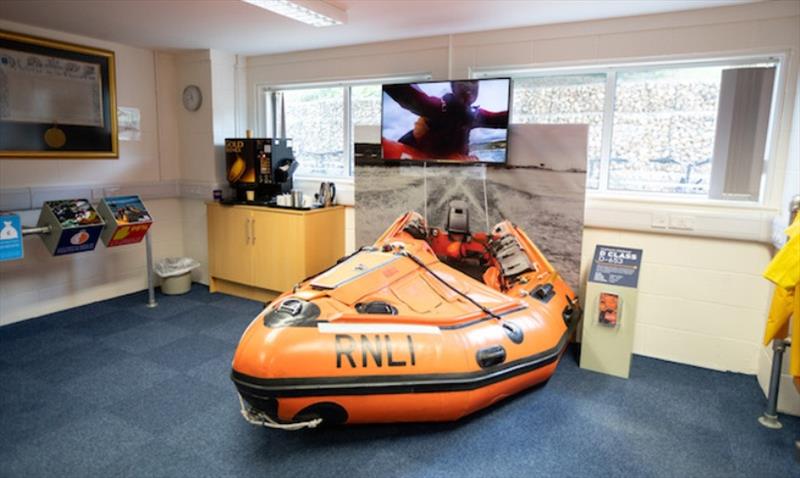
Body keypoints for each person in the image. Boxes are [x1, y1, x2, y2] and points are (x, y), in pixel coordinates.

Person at [384, 81, 508, 159]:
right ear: (453, 87)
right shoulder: (436, 108)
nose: (468, 87)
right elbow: (409, 97)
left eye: (473, 82)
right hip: (422, 154)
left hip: (453, 159)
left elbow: (501, 119)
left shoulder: (476, 116)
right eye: (463, 82)